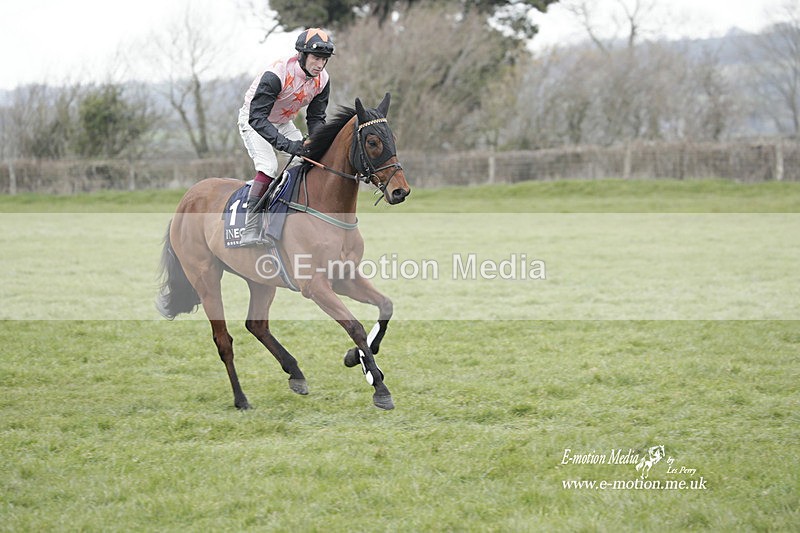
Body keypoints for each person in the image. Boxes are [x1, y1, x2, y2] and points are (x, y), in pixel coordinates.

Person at [237, 27, 334, 246]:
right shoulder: (277, 74)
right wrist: (288, 145)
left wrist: (316, 144)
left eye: (325, 59)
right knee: (269, 167)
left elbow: (317, 118)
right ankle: (250, 228)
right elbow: (257, 118)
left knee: (309, 160)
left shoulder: (323, 80)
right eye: (316, 57)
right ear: (302, 54)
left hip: (282, 121)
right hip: (254, 119)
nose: (320, 65)